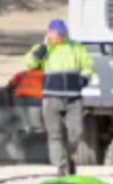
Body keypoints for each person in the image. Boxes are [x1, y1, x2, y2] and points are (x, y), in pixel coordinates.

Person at [24, 20, 94, 175]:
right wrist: (43, 47)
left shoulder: (76, 46)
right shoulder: (43, 48)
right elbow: (30, 63)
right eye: (58, 34)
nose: (61, 37)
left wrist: (83, 79)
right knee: (54, 135)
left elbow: (88, 65)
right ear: (49, 33)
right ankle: (61, 166)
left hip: (73, 99)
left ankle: (71, 158)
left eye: (63, 34)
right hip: (51, 99)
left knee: (77, 132)